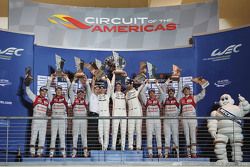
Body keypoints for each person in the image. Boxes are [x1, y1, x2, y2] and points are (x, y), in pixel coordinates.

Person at [207, 94, 250, 163]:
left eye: (226, 98)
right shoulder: (216, 112)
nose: (225, 100)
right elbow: (212, 121)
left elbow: (246, 109)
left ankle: (237, 161)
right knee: (219, 146)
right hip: (221, 132)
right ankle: (222, 160)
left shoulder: (237, 108)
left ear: (231, 100)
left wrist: (243, 101)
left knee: (237, 147)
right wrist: (212, 130)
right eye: (222, 99)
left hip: (235, 131)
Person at [179, 82, 206, 158]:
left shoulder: (193, 97)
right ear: (183, 91)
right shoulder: (181, 100)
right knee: (187, 137)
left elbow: (202, 95)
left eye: (187, 89)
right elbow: (179, 111)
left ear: (190, 90)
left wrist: (203, 86)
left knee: (193, 136)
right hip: (184, 119)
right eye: (185, 89)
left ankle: (194, 153)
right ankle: (188, 153)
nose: (186, 90)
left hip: (192, 119)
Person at [47, 74, 71, 158]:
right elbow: (47, 89)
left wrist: (67, 79)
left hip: (62, 118)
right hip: (54, 118)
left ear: (62, 91)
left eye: (60, 90)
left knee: (62, 137)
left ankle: (63, 153)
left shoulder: (65, 98)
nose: (58, 91)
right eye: (57, 90)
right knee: (53, 136)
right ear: (56, 91)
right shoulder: (52, 98)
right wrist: (51, 78)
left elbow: (70, 89)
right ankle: (51, 152)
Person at [158, 78, 181, 158]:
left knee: (175, 137)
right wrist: (168, 80)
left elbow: (180, 89)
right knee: (167, 138)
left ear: (174, 93)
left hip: (174, 120)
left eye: (172, 91)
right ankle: (166, 154)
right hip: (166, 120)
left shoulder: (177, 99)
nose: (171, 92)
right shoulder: (165, 99)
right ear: (168, 92)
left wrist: (178, 81)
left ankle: (177, 154)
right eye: (169, 91)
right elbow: (163, 88)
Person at [140, 79, 162, 158]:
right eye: (150, 93)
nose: (152, 94)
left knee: (158, 136)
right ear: (149, 94)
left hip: (157, 120)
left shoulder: (158, 100)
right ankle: (150, 153)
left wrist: (157, 84)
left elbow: (162, 93)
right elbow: (142, 93)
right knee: (149, 136)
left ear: (155, 94)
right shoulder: (146, 101)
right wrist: (147, 84)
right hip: (149, 120)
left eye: (153, 92)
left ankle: (160, 153)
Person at [26, 84, 49, 157]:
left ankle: (39, 153)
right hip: (36, 120)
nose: (44, 93)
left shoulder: (47, 101)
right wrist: (27, 86)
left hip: (43, 121)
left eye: (45, 91)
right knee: (34, 136)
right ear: (40, 91)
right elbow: (28, 92)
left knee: (42, 137)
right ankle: (32, 152)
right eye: (43, 91)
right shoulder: (35, 98)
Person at [69, 75, 89, 158]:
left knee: (84, 136)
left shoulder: (85, 100)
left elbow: (89, 92)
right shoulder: (74, 100)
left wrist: (87, 82)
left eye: (81, 93)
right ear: (77, 94)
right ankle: (74, 152)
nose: (80, 94)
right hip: (76, 119)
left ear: (83, 94)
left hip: (83, 119)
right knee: (75, 136)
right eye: (79, 93)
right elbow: (70, 91)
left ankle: (85, 152)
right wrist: (74, 81)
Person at [126, 80, 144, 150]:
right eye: (127, 84)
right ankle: (130, 146)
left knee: (138, 130)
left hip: (138, 112)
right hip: (130, 112)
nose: (128, 85)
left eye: (129, 84)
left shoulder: (136, 90)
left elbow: (142, 84)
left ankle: (138, 146)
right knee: (130, 130)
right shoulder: (126, 94)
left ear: (132, 84)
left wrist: (143, 81)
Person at [111, 73, 127, 151]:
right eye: (117, 86)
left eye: (119, 86)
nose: (118, 87)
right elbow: (111, 86)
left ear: (121, 87)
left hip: (123, 113)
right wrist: (114, 75)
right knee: (115, 131)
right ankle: (113, 147)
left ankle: (123, 148)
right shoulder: (113, 94)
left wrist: (125, 76)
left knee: (123, 131)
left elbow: (129, 86)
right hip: (116, 113)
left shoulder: (124, 95)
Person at [96, 76, 111, 150]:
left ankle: (105, 147)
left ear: (105, 89)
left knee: (106, 133)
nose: (102, 89)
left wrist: (107, 79)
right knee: (100, 132)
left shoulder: (107, 96)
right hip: (100, 115)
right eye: (101, 88)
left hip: (106, 115)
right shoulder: (97, 96)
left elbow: (110, 87)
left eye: (103, 88)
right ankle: (102, 146)